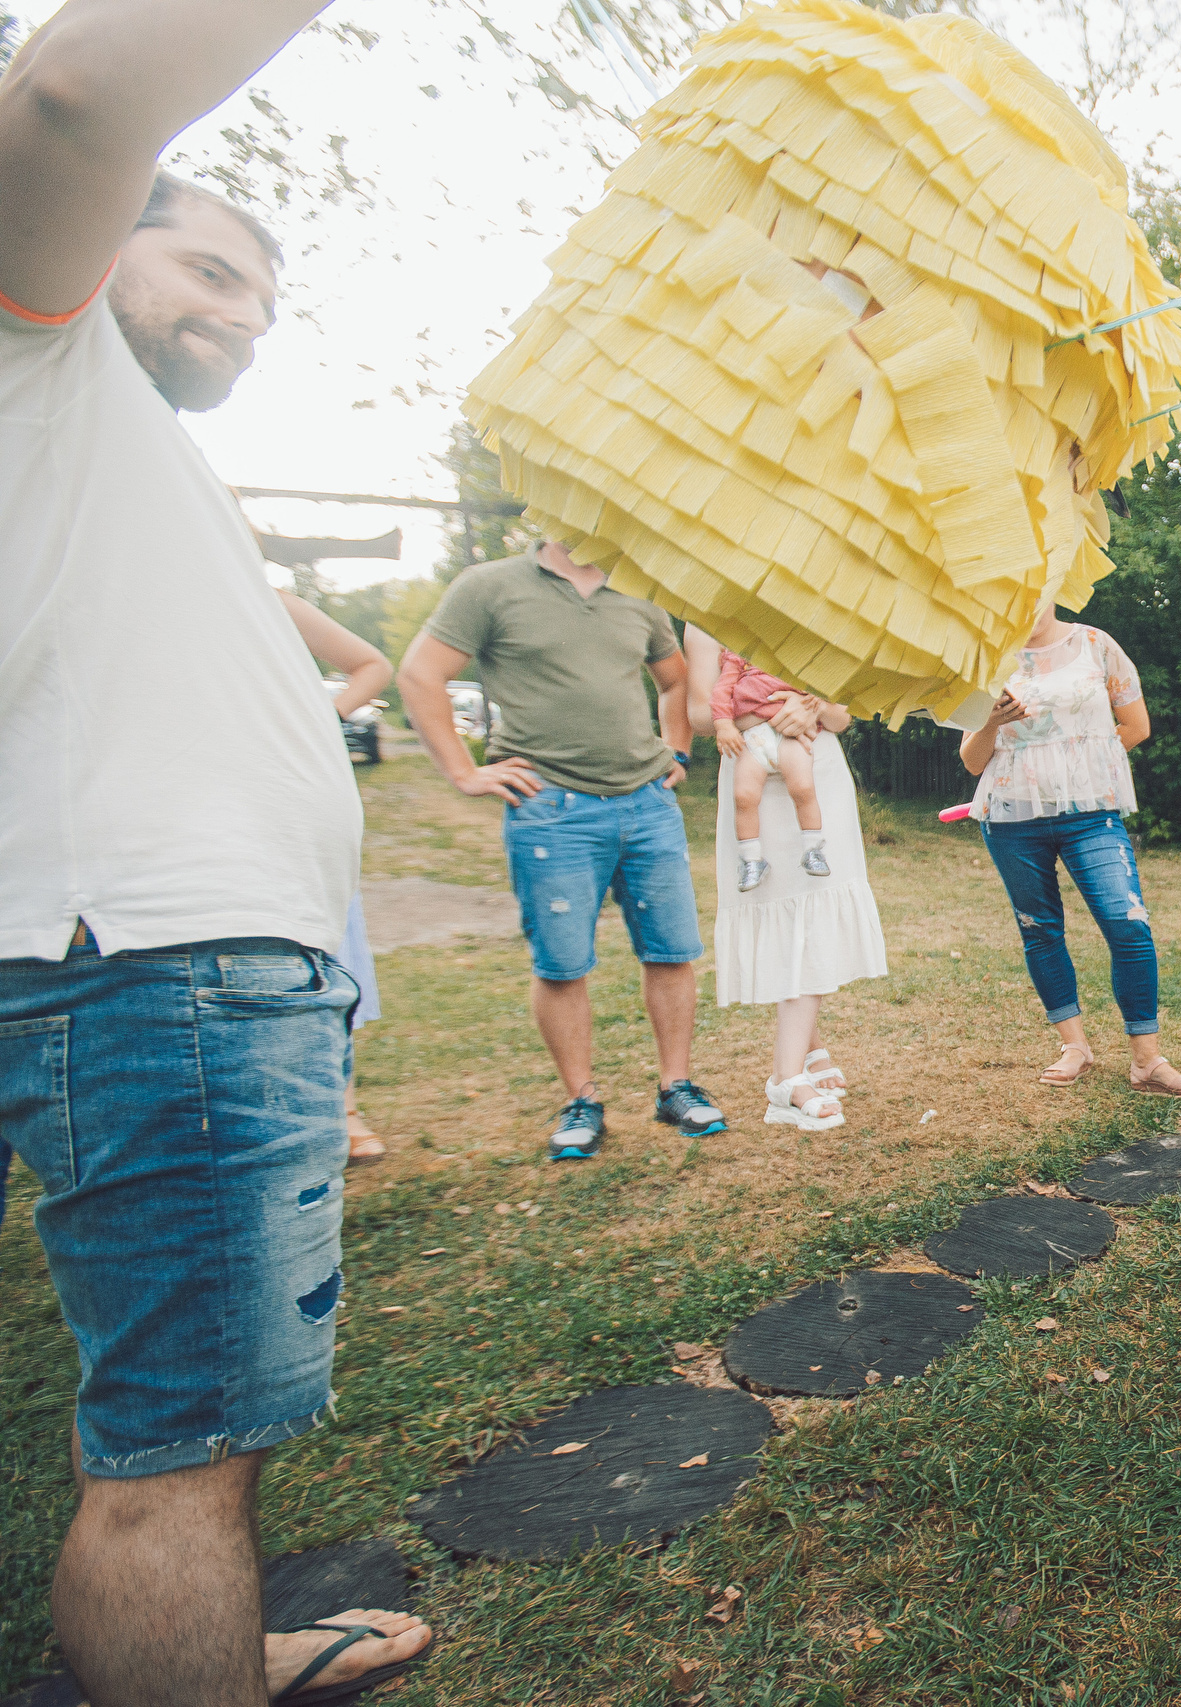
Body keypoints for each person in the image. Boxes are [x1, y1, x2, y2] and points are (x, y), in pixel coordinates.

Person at [0, 3, 434, 1696]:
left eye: (268, 295)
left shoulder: (93, 431)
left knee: (181, 1443)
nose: (244, 313)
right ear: (103, 230)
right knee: (176, 1464)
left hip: (163, 956)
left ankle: (214, 1653)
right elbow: (69, 93)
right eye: (210, 264)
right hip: (158, 967)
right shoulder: (38, 333)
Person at [396, 541, 725, 1160]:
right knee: (562, 964)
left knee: (672, 951)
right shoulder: (489, 586)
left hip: (647, 806)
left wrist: (676, 751)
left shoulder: (638, 590)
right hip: (552, 811)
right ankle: (583, 1100)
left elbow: (674, 678)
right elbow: (419, 674)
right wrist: (463, 772)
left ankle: (675, 1088)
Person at [959, 601, 1181, 1098]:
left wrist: (1079, 769)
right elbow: (971, 760)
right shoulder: (987, 659)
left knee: (1127, 923)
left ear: (1052, 587)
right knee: (1040, 928)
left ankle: (1147, 1061)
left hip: (1091, 815)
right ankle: (1075, 1047)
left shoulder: (1097, 645)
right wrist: (990, 722)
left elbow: (1136, 727)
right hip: (1011, 817)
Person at [681, 626, 884, 1128]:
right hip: (750, 766)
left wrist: (811, 706)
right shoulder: (706, 618)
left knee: (812, 905)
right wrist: (769, 711)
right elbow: (699, 714)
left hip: (813, 772)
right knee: (776, 902)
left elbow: (843, 715)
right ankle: (785, 1081)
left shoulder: (805, 603)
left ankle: (798, 1057)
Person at [280, 590, 394, 1165]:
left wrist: (319, 716)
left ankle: (345, 1106)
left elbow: (372, 664)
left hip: (285, 790)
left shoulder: (267, 600)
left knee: (327, 947)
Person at [711, 647, 830, 892]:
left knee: (803, 787)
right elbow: (722, 689)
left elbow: (821, 680)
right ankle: (751, 858)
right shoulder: (740, 652)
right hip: (752, 738)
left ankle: (813, 849)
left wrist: (817, 699)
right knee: (743, 796)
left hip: (790, 736)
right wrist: (723, 723)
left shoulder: (799, 646)